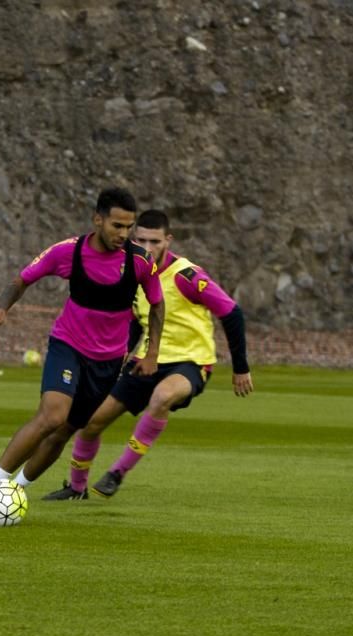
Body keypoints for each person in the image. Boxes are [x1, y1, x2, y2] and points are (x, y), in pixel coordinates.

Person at [0, 188, 164, 509]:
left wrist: (153, 352)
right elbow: (21, 280)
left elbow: (157, 305)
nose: (124, 234)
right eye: (117, 225)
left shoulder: (140, 261)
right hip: (68, 346)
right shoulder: (67, 252)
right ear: (97, 220)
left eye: (129, 227)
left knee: (64, 432)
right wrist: (2, 309)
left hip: (109, 362)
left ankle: (13, 492)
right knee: (52, 416)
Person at [40, 208, 253, 500]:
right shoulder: (133, 268)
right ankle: (77, 489)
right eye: (142, 240)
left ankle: (117, 473)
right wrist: (120, 356)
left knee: (162, 397)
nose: (148, 248)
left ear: (168, 240)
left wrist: (240, 368)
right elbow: (137, 321)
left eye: (155, 242)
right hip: (146, 360)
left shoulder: (186, 276)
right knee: (91, 421)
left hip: (189, 362)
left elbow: (232, 312)